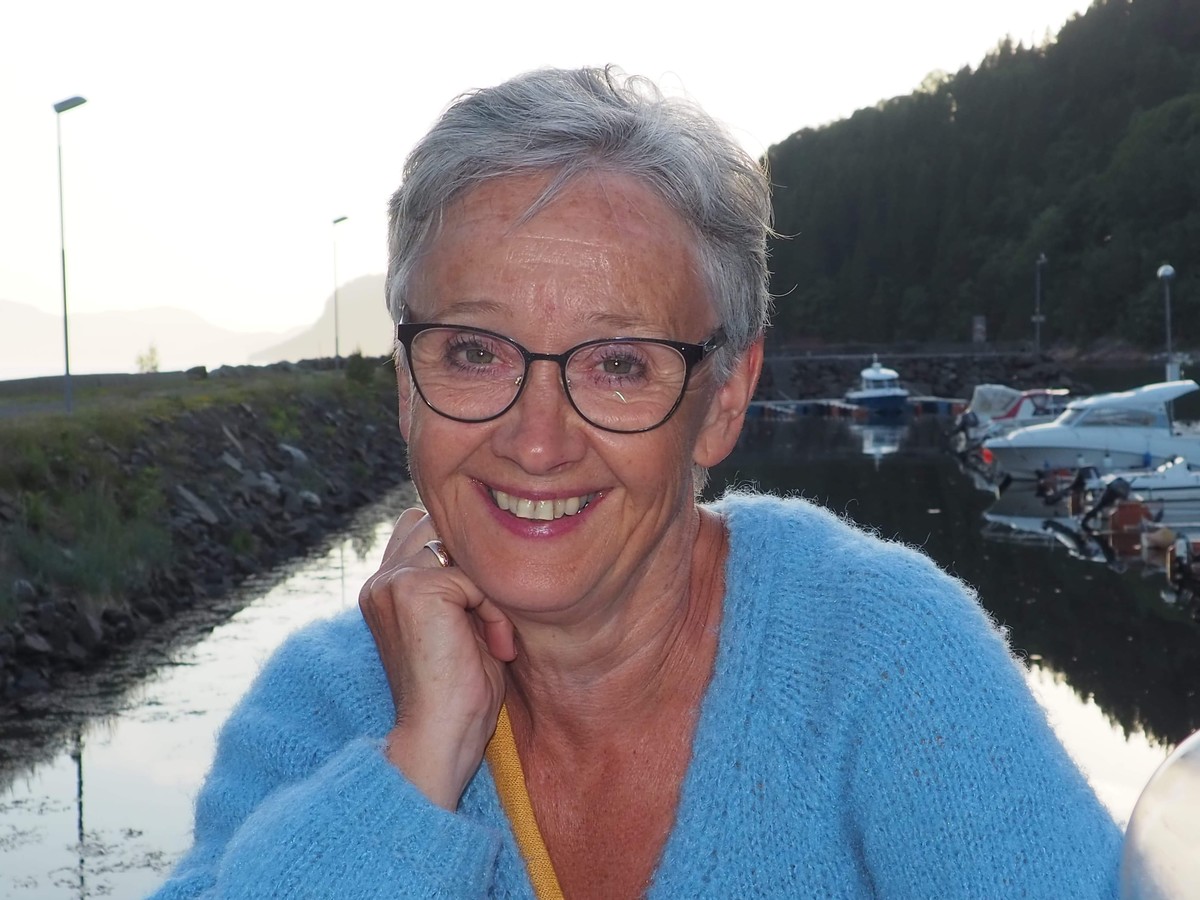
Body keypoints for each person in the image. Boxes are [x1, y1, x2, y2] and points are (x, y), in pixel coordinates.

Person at [150, 66, 1121, 899]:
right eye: (476, 351)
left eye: (618, 363)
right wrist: (419, 761)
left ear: (726, 396)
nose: (536, 443)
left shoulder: (879, 658)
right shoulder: (327, 708)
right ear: (407, 382)